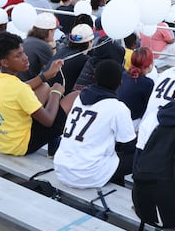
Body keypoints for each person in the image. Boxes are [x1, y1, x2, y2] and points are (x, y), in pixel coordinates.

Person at [52, 59, 137, 189]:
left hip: (61, 168)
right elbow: (129, 146)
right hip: (87, 176)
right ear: (120, 83)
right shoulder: (118, 107)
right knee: (137, 155)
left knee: (111, 149)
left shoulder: (79, 97)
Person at [0, 32, 68, 157]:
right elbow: (48, 121)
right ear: (5, 62)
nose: (25, 58)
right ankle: (55, 148)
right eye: (18, 56)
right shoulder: (20, 89)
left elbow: (23, 88)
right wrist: (56, 93)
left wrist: (46, 75)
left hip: (1, 143)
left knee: (43, 86)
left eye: (23, 52)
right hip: (21, 145)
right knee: (72, 97)